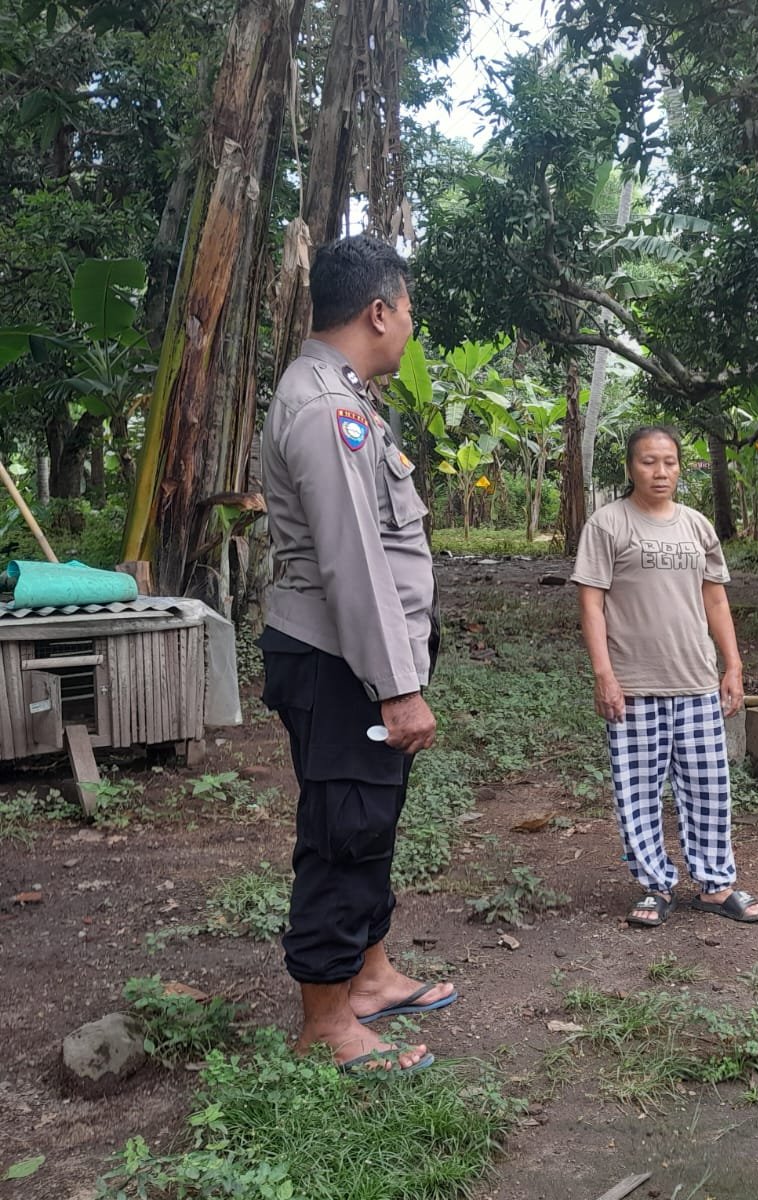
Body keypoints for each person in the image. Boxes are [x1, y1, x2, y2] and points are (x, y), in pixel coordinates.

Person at [259, 234, 455, 1074]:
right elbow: (354, 562)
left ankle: (369, 976)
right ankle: (327, 1024)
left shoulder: (342, 398)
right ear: (379, 311)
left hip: (353, 663)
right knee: (344, 828)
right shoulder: (326, 410)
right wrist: (398, 686)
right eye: (407, 309)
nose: (410, 325)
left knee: (368, 819)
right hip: (341, 662)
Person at [573, 427, 758, 928]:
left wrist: (733, 664)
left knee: (709, 787)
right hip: (634, 684)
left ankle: (714, 883)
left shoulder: (697, 526)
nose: (660, 472)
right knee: (637, 791)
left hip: (696, 680)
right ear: (630, 467)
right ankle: (655, 885)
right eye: (648, 462)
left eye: (670, 462)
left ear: (680, 467)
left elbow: (715, 598)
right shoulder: (607, 524)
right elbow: (591, 603)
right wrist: (604, 676)